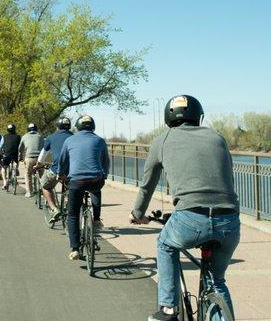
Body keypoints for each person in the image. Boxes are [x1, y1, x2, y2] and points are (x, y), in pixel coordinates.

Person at [129, 95, 240, 321]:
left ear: (168, 118)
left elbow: (148, 184)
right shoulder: (218, 138)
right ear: (198, 117)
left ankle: (168, 309)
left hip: (191, 217)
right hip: (229, 219)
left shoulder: (163, 139)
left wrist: (137, 213)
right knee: (217, 281)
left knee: (165, 244)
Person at [58, 115, 109, 261]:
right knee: (97, 188)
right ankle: (97, 219)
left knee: (73, 213)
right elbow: (105, 161)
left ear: (78, 127)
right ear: (93, 126)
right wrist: (103, 175)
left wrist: (62, 174)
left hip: (77, 181)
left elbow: (63, 161)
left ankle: (75, 249)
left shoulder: (69, 140)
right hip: (95, 180)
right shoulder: (99, 140)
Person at [36, 117, 73, 223]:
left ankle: (54, 208)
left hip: (57, 169)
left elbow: (44, 153)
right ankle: (68, 201)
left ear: (57, 127)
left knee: (45, 185)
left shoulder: (51, 137)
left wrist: (38, 164)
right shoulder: (74, 137)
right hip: (73, 170)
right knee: (69, 185)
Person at [19, 123, 44, 197]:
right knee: (42, 175)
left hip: (29, 158)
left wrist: (20, 157)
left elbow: (20, 148)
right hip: (39, 159)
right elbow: (44, 147)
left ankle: (29, 192)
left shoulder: (24, 136)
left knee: (28, 174)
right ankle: (43, 191)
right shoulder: (40, 136)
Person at [0, 124, 21, 191]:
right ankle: (16, 168)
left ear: (7, 130)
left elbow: (1, 145)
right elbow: (20, 146)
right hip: (15, 155)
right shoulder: (18, 137)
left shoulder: (4, 136)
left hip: (6, 155)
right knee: (16, 161)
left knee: (3, 167)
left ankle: (5, 182)